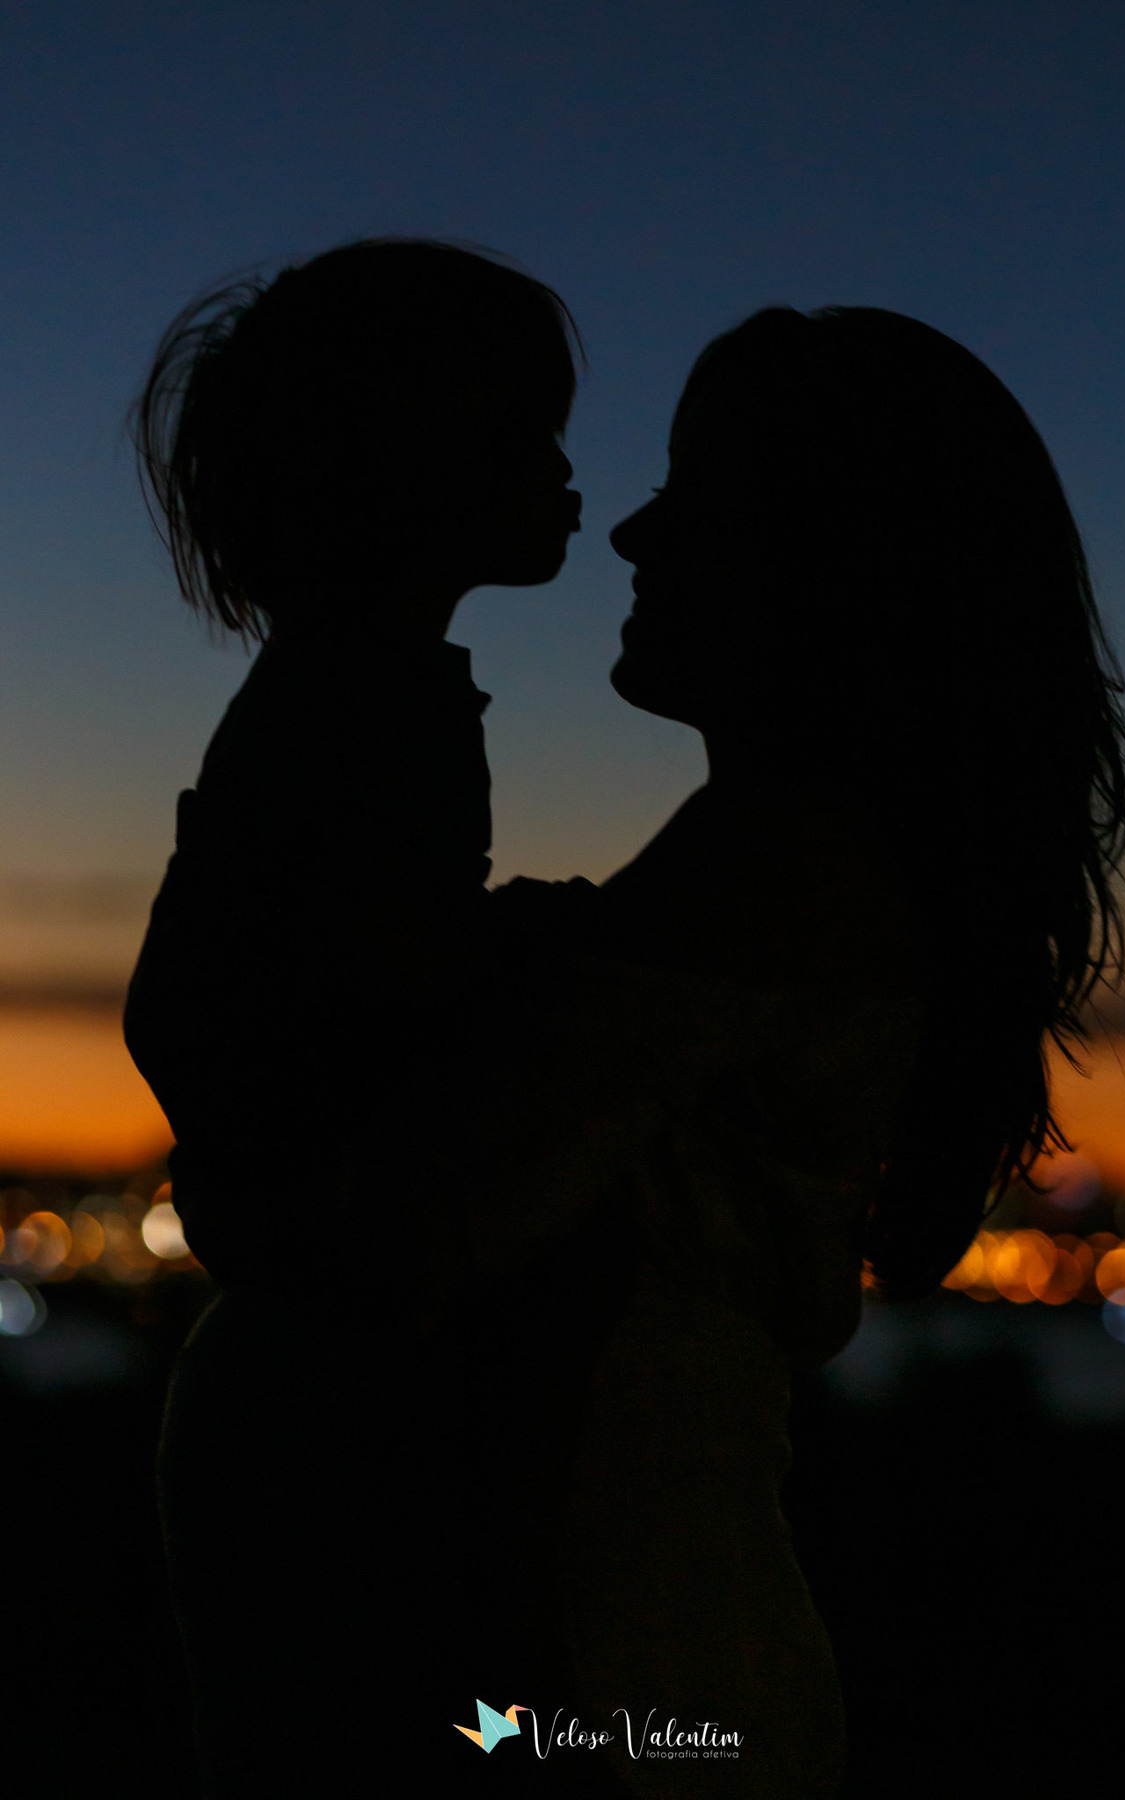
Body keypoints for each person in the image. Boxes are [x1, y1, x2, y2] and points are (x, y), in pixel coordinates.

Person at [388, 304, 1125, 1795]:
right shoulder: (789, 878)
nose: (636, 534)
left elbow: (417, 1212)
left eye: (703, 496)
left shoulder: (780, 872)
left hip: (613, 1681)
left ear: (839, 565)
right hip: (657, 1666)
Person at [121, 238, 582, 1795]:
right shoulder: (370, 711)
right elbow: (365, 993)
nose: (573, 479)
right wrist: (541, 952)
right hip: (331, 1419)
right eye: (529, 436)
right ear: (415, 468)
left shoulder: (349, 695)